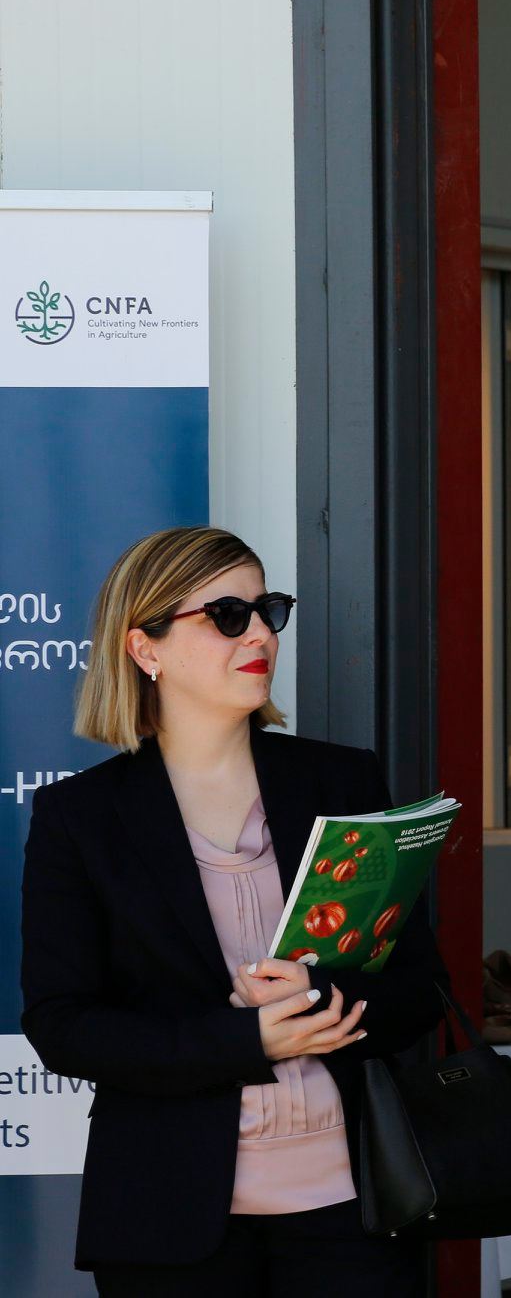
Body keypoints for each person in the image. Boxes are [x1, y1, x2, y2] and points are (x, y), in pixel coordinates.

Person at [19, 527, 449, 1296]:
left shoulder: (342, 780)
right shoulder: (79, 816)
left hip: (353, 1212)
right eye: (226, 614)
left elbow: (420, 988)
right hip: (169, 1218)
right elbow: (62, 1025)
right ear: (144, 647)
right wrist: (245, 1039)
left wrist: (320, 997)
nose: (259, 634)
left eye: (267, 610)